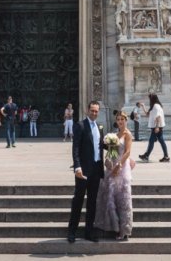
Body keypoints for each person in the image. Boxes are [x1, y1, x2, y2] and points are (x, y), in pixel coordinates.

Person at [67, 100, 104, 243]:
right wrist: (77, 166)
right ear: (87, 110)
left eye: (96, 111)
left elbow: (101, 146)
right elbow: (75, 148)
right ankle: (72, 232)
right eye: (92, 110)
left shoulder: (100, 127)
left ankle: (89, 232)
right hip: (83, 171)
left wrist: (116, 145)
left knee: (92, 202)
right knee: (78, 201)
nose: (94, 113)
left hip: (96, 169)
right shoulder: (80, 126)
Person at [94, 110, 133, 241]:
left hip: (122, 168)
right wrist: (108, 161)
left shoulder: (128, 135)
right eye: (118, 119)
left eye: (122, 119)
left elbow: (127, 152)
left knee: (124, 199)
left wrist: (119, 165)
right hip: (113, 168)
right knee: (111, 197)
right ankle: (113, 226)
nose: (120, 121)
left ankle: (124, 230)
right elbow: (112, 153)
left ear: (126, 120)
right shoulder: (114, 135)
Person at [138, 93, 169, 162]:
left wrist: (157, 127)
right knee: (160, 141)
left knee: (153, 141)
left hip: (157, 127)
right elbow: (147, 114)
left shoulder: (156, 106)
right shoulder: (154, 106)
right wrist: (143, 106)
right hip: (156, 127)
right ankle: (165, 156)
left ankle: (146, 155)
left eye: (150, 98)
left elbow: (158, 116)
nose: (149, 100)